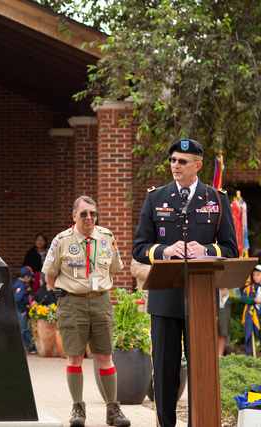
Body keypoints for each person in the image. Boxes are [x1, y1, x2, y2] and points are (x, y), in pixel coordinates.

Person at [132, 138, 238, 427]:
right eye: (172, 160)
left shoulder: (216, 198)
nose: (175, 166)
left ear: (198, 165)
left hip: (202, 297)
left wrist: (205, 250)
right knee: (165, 372)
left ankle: (199, 423)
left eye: (182, 161)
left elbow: (231, 249)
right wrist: (164, 251)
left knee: (201, 369)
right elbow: (139, 247)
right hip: (165, 297)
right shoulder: (156, 197)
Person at [42, 195, 130, 427]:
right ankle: (78, 409)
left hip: (101, 302)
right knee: (74, 356)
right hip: (72, 304)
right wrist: (66, 295)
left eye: (92, 213)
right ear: (74, 216)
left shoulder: (107, 237)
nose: (89, 217)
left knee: (105, 356)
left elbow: (114, 268)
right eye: (83, 213)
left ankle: (113, 409)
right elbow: (50, 276)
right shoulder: (62, 240)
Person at [13, 266, 35, 354]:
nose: (31, 279)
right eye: (30, 277)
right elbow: (17, 299)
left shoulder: (18, 283)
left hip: (22, 310)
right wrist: (22, 310)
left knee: (26, 329)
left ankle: (32, 348)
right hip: (20, 310)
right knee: (21, 330)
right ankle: (15, 348)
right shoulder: (20, 285)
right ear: (26, 277)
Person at [241, 265, 261, 356]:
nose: (255, 277)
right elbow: (244, 298)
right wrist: (255, 300)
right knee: (250, 334)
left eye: (258, 274)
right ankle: (251, 355)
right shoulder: (250, 287)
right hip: (254, 314)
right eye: (254, 275)